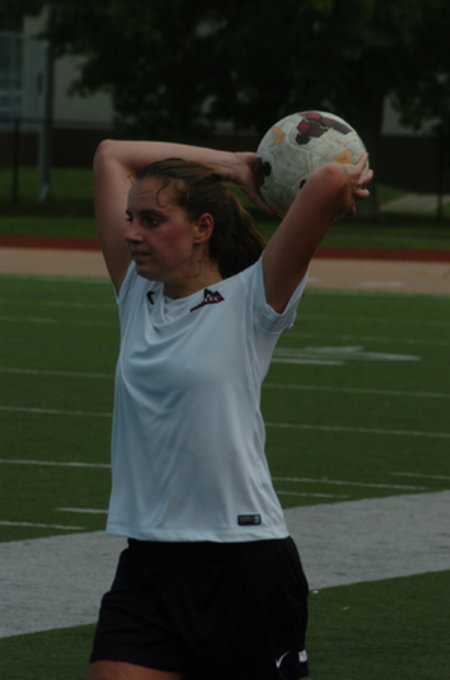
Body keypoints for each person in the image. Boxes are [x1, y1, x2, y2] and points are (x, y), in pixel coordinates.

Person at [88, 138, 373, 680]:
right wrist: (234, 166)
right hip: (148, 564)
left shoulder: (252, 299)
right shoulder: (136, 296)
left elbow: (331, 180)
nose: (131, 234)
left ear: (203, 228)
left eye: (152, 220)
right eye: (130, 218)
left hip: (245, 564)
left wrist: (271, 172)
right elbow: (110, 156)